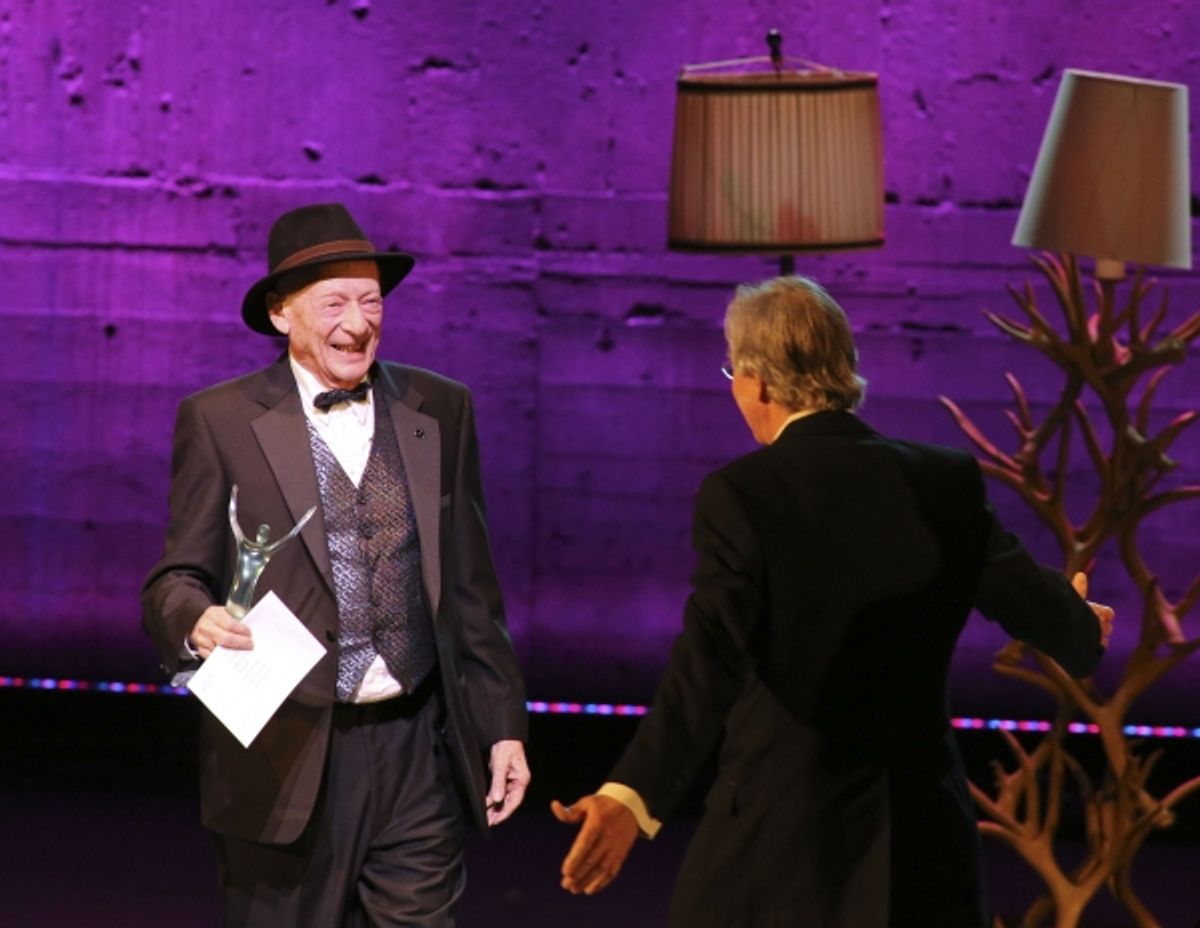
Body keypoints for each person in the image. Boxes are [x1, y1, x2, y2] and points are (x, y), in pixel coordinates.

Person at [552, 275, 1113, 927]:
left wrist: (632, 796)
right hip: (921, 842)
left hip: (782, 837)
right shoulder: (945, 480)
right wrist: (1079, 624)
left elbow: (710, 658)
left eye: (732, 373)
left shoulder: (746, 494)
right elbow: (1040, 608)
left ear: (759, 383)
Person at [142, 202, 529, 927]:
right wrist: (194, 620)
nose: (358, 323)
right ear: (281, 313)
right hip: (285, 754)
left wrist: (503, 723)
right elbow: (175, 577)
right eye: (335, 304)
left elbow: (472, 589)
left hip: (417, 750)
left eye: (371, 301)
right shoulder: (220, 421)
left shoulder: (441, 409)